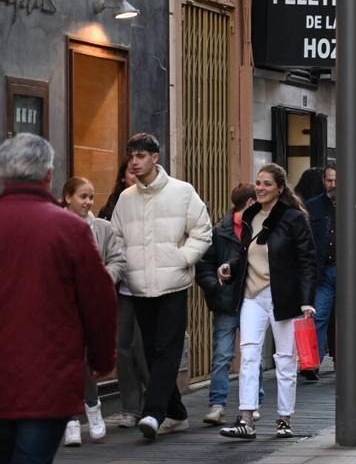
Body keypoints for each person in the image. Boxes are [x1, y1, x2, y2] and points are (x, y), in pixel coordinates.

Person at [0, 135, 116, 464]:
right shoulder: (68, 229)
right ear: (49, 176)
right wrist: (102, 356)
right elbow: (99, 299)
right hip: (46, 376)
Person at [110, 133, 212, 442]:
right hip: (139, 285)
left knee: (168, 349)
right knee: (153, 354)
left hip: (173, 284)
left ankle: (153, 413)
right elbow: (115, 237)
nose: (135, 162)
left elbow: (202, 231)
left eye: (141, 156)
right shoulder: (126, 198)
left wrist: (182, 258)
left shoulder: (182, 192)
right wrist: (125, 267)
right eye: (132, 156)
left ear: (155, 157)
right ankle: (177, 414)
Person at [220, 164, 317, 440]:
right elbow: (245, 255)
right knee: (249, 356)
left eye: (266, 184)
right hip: (252, 295)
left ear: (280, 189)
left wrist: (307, 300)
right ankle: (246, 419)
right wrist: (230, 267)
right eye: (258, 183)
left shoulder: (293, 218)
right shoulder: (250, 215)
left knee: (285, 359)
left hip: (284, 298)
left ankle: (284, 419)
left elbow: (307, 261)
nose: (260, 188)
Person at [60, 177, 126, 446]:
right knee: (67, 360)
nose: (88, 202)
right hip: (61, 305)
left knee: (87, 359)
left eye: (90, 196)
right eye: (82, 196)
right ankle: (71, 418)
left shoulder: (103, 228)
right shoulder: (55, 226)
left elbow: (118, 260)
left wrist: (102, 279)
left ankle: (92, 405)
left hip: (93, 304)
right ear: (67, 198)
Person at [304, 163, 356, 380]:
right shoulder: (313, 206)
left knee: (348, 318)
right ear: (323, 181)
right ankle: (313, 363)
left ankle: (345, 360)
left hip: (350, 271)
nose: (333, 185)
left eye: (337, 181)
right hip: (323, 272)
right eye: (329, 180)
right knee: (318, 316)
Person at [196, 184, 256, 426]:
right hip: (227, 300)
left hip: (253, 297)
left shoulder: (261, 228)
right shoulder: (220, 231)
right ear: (251, 202)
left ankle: (253, 404)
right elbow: (204, 265)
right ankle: (217, 405)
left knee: (252, 354)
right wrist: (214, 285)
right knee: (223, 354)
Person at [101, 161, 150, 428]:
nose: (135, 176)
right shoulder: (110, 210)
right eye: (130, 172)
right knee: (123, 347)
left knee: (143, 347)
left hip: (150, 286)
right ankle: (131, 408)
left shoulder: (154, 204)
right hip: (122, 288)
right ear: (122, 178)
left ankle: (153, 403)